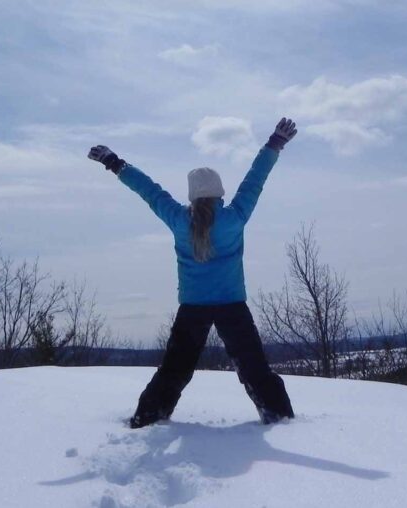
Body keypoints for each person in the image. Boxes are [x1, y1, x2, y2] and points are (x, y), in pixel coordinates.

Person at [88, 118, 298, 429]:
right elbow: (254, 181)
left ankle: (148, 417)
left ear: (192, 196)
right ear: (219, 193)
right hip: (232, 306)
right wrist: (274, 144)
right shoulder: (235, 218)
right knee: (254, 368)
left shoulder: (177, 219)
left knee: (175, 369)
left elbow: (149, 190)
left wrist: (113, 162)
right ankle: (279, 418)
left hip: (193, 307)